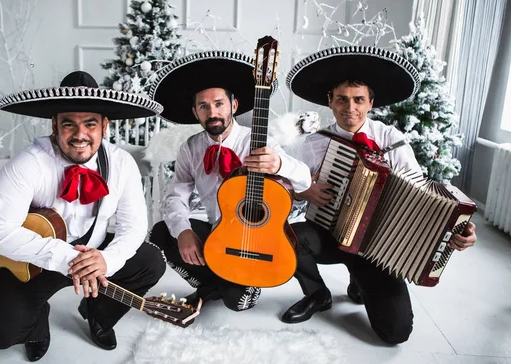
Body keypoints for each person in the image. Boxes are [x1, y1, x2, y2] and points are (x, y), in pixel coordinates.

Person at [280, 46, 477, 344]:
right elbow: (283, 188)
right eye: (342, 100)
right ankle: (318, 294)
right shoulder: (313, 144)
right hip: (329, 234)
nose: (350, 108)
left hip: (376, 248)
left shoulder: (392, 141)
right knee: (286, 237)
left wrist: (455, 231)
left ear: (370, 103)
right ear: (330, 102)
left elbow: (422, 195)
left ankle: (359, 282)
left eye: (359, 99)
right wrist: (305, 189)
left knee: (395, 333)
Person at [0, 71, 166, 361]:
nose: (80, 135)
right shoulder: (27, 164)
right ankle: (36, 325)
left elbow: (134, 225)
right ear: (54, 125)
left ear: (104, 126)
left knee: (150, 262)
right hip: (34, 260)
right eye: (68, 124)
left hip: (94, 252)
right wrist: (67, 259)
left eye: (90, 124)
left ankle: (97, 313)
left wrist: (106, 260)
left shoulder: (121, 163)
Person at [147, 51, 312, 311]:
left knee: (237, 303)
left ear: (233, 106)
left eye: (219, 103)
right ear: (195, 112)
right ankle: (211, 283)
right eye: (204, 106)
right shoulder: (191, 148)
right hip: (219, 232)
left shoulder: (258, 140)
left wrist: (280, 164)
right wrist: (184, 231)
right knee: (160, 232)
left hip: (258, 239)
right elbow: (175, 196)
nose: (212, 112)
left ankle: (229, 284)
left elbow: (304, 181)